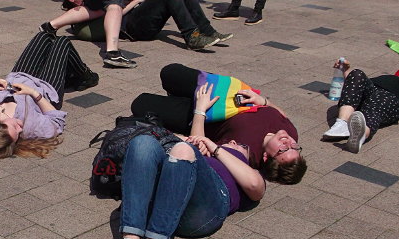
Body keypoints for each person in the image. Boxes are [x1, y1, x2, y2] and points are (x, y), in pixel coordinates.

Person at [105, 84, 265, 239]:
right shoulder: (203, 150)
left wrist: (215, 148)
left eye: (241, 146)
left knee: (183, 149)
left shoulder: (244, 168)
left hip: (206, 211)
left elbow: (255, 186)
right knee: (143, 143)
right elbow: (194, 139)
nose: (234, 142)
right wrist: (200, 111)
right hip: (171, 200)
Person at [131, 63, 307, 184]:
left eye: (284, 150)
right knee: (169, 72)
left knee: (140, 103)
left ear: (266, 157)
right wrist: (264, 101)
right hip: (221, 92)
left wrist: (200, 109)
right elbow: (282, 113)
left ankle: (179, 102)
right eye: (295, 148)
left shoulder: (246, 152)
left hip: (199, 113)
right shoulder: (291, 133)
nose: (289, 142)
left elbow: (199, 145)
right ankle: (178, 95)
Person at [0, 32, 97, 159]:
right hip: (45, 88)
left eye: (15, 127)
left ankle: (74, 75)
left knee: (44, 36)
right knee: (62, 42)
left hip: (19, 77)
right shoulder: (31, 128)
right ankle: (86, 76)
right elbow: (57, 121)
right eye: (18, 134)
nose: (20, 127)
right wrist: (35, 94)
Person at [42, 0, 232, 50]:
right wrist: (134, 2)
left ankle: (207, 31)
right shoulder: (81, 17)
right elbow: (111, 16)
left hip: (137, 18)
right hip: (133, 27)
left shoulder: (90, 3)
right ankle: (191, 35)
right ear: (71, 0)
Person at [322, 62, 399, 153]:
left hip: (391, 98)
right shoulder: (386, 79)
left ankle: (360, 136)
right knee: (357, 73)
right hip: (369, 91)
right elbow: (354, 86)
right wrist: (346, 70)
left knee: (375, 108)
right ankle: (342, 122)